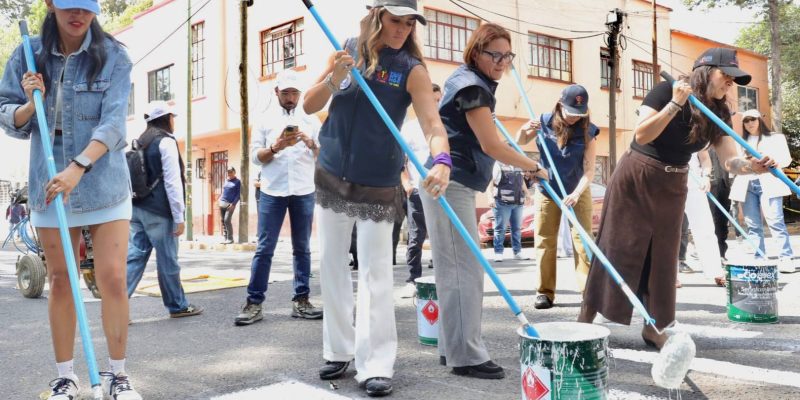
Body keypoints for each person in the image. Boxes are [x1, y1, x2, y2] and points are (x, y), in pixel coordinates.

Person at [579, 48, 775, 349]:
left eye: (734, 80)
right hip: (638, 175)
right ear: (706, 71)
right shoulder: (665, 90)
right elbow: (642, 135)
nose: (729, 84)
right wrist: (674, 103)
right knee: (618, 246)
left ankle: (655, 326)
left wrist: (753, 167)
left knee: (663, 256)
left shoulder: (720, 111)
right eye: (726, 76)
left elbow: (730, 161)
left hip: (674, 181)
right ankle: (586, 319)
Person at [303, 0, 450, 396]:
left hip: (378, 180)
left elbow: (432, 122)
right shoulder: (347, 47)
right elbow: (309, 104)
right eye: (395, 20)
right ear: (377, 15)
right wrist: (335, 77)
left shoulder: (412, 70)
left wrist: (442, 160)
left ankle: (376, 364)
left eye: (409, 23)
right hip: (332, 172)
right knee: (332, 265)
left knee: (375, 273)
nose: (402, 29)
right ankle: (338, 350)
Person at [0, 1, 143, 398]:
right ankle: (65, 376)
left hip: (102, 177)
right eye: (68, 6)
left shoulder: (114, 56)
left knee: (113, 278)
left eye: (86, 7)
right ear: (50, 5)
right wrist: (31, 104)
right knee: (62, 280)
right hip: (50, 177)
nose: (77, 15)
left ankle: (118, 375)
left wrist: (79, 166)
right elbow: (5, 112)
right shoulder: (28, 53)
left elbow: (114, 122)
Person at [422, 23, 547, 379]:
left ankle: (453, 349)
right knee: (464, 272)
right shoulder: (473, 88)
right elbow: (492, 146)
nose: (502, 62)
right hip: (451, 184)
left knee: (454, 272)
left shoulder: (469, 82)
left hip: (448, 184)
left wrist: (522, 154)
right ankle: (467, 357)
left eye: (507, 55)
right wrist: (534, 166)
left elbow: (489, 141)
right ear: (475, 52)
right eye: (495, 54)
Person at [235, 69, 324, 326]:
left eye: (295, 93)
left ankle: (302, 300)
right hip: (273, 190)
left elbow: (324, 155)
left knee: (302, 248)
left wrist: (310, 143)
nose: (290, 98)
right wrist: (276, 147)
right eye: (285, 93)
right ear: (276, 92)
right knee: (264, 248)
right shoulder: (264, 120)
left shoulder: (311, 119)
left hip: (304, 189)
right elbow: (254, 157)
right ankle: (254, 303)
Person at [517, 84, 598, 309]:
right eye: (571, 112)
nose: (575, 118)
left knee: (583, 241)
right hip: (547, 190)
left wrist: (576, 193)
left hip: (577, 190)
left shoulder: (588, 130)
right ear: (561, 105)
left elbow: (589, 170)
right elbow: (520, 141)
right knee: (544, 241)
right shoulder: (543, 121)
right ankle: (544, 292)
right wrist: (525, 130)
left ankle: (587, 293)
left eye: (579, 114)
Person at [125, 101, 203, 318]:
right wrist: (179, 216)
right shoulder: (165, 142)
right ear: (168, 118)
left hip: (137, 209)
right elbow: (172, 182)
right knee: (168, 260)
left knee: (134, 258)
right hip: (159, 212)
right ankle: (177, 305)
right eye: (172, 117)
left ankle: (117, 307)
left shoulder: (140, 141)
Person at [729, 109, 796, 273]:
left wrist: (773, 161)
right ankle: (759, 257)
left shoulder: (775, 137)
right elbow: (734, 165)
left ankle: (786, 257)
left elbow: (786, 159)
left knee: (775, 221)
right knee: (753, 225)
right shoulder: (739, 141)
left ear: (760, 120)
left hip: (769, 181)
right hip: (747, 184)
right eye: (746, 121)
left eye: (753, 119)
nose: (750, 123)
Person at [400, 83, 442, 287]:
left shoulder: (444, 125)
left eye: (438, 100)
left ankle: (443, 278)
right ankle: (413, 278)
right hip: (417, 189)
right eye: (431, 100)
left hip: (441, 189)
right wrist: (406, 183)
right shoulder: (409, 128)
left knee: (441, 235)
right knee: (416, 236)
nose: (435, 104)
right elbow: (400, 159)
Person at [486, 159, 530, 262]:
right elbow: (490, 182)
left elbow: (521, 181)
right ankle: (498, 252)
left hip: (518, 202)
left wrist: (527, 193)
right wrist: (489, 198)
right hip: (502, 202)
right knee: (500, 228)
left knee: (517, 229)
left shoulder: (517, 164)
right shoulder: (497, 165)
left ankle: (517, 252)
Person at [219, 166, 240, 244]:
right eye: (228, 172)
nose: (229, 173)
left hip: (230, 204)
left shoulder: (237, 182)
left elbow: (238, 195)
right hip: (222, 203)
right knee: (223, 221)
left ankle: (230, 239)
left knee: (227, 220)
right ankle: (225, 238)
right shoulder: (226, 181)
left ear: (234, 172)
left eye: (231, 172)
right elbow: (224, 191)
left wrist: (233, 204)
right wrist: (219, 199)